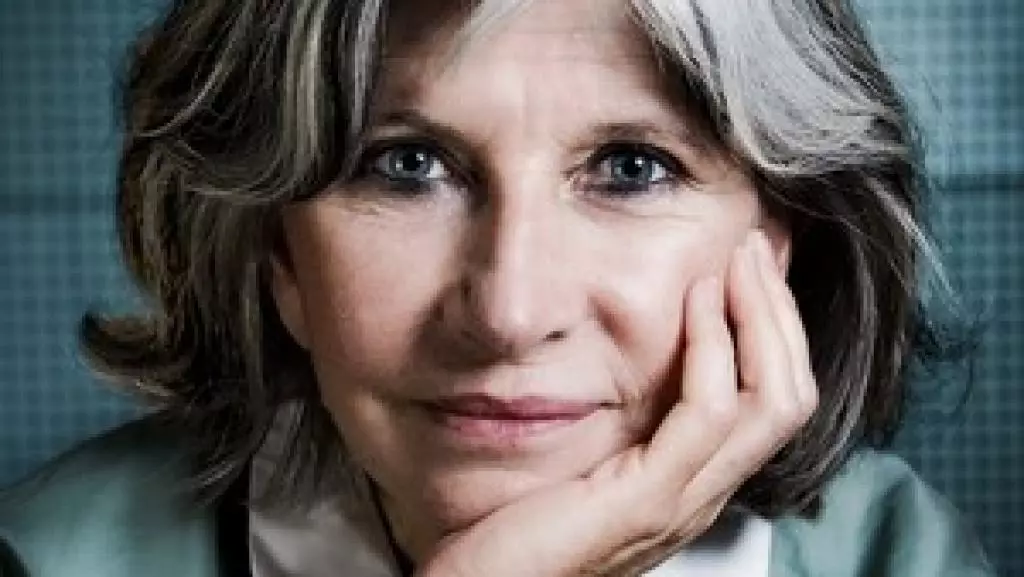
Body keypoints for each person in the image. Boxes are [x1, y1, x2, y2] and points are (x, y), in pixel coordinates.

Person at [0, 0, 997, 575]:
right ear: (278, 251)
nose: (510, 313)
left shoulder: (899, 556)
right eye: (405, 166)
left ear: (779, 239)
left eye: (631, 168)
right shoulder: (47, 559)